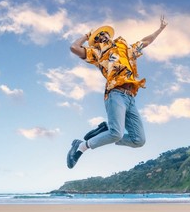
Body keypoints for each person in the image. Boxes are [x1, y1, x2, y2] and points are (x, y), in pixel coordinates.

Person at [67, 16, 168, 169]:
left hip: (130, 98)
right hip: (115, 94)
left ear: (109, 35)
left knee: (138, 140)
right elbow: (74, 48)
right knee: (117, 133)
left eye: (103, 33)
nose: (102, 36)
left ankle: (107, 130)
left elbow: (146, 41)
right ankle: (81, 146)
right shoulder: (96, 53)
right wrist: (87, 37)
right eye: (98, 37)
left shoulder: (127, 49)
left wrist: (160, 30)